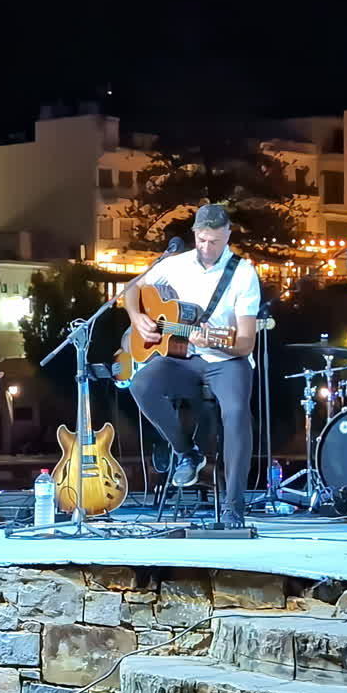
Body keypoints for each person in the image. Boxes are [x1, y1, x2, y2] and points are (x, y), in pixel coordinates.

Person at [123, 204, 261, 526]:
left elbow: (245, 342)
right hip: (182, 358)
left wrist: (213, 340)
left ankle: (233, 507)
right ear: (194, 234)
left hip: (227, 361)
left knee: (237, 414)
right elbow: (132, 288)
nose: (206, 247)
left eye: (213, 241)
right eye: (200, 239)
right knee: (141, 385)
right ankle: (188, 452)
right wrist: (137, 316)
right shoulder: (176, 264)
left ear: (227, 235)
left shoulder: (242, 274)